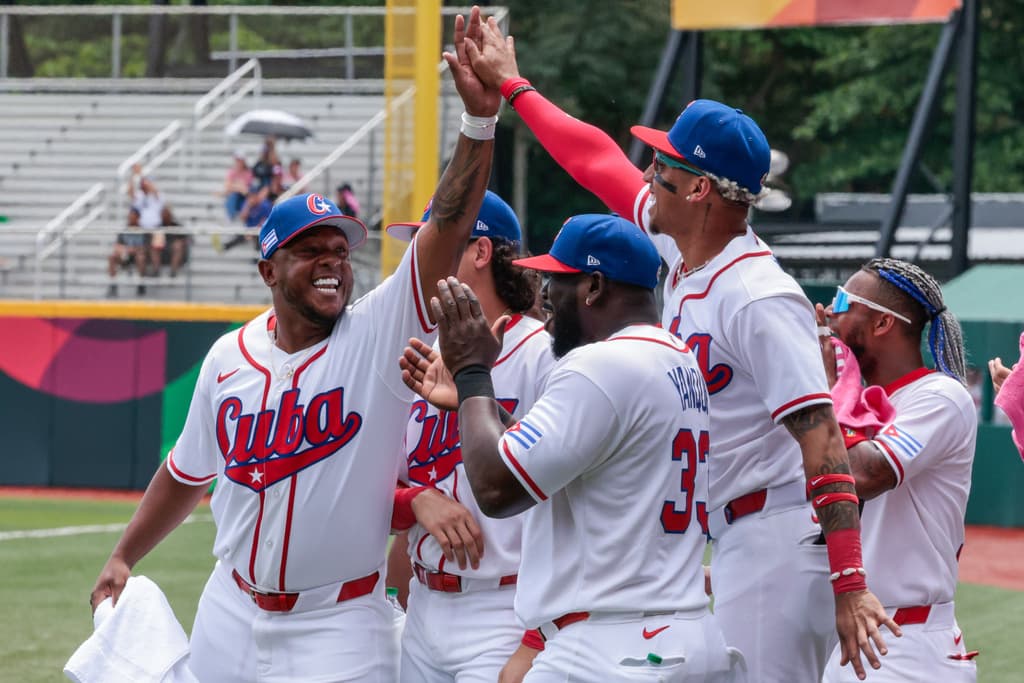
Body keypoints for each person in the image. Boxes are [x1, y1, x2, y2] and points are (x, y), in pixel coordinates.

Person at [464, 16, 898, 682]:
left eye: (664, 163)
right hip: (732, 534)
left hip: (775, 538)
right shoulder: (686, 247)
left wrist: (849, 581)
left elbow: (824, 442)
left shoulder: (757, 292)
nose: (648, 170)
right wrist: (515, 87)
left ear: (700, 188)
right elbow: (594, 158)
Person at [89, 9, 501, 681]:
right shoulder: (228, 358)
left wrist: (478, 124)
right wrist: (123, 553)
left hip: (338, 623)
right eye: (310, 251)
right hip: (229, 607)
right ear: (268, 270)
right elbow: (185, 473)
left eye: (340, 250)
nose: (332, 261)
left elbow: (449, 223)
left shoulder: (375, 334)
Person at [427, 214, 743, 682]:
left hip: (611, 646)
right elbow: (580, 453)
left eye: (557, 280)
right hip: (678, 630)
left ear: (593, 286)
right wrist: (484, 406)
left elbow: (497, 490)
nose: (544, 297)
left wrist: (473, 374)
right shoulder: (676, 356)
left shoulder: (599, 364)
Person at [385, 190, 556, 683]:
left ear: (481, 252)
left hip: (508, 607)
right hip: (423, 609)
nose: (421, 261)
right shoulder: (416, 354)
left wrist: (538, 635)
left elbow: (578, 485)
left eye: (436, 245)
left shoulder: (542, 355)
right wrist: (416, 499)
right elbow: (370, 487)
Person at [815, 258, 978, 681]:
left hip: (906, 640)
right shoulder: (856, 402)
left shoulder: (940, 397)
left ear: (883, 323)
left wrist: (829, 393)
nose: (830, 312)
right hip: (857, 631)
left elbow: (864, 475)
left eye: (843, 301)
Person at [222, 150, 252, 222]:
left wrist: (235, 186)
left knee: (246, 200)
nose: (238, 162)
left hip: (243, 198)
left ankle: (235, 219)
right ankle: (232, 218)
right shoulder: (232, 172)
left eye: (239, 160)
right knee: (233, 196)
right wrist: (239, 187)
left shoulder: (248, 173)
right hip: (235, 197)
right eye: (237, 160)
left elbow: (247, 191)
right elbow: (227, 187)